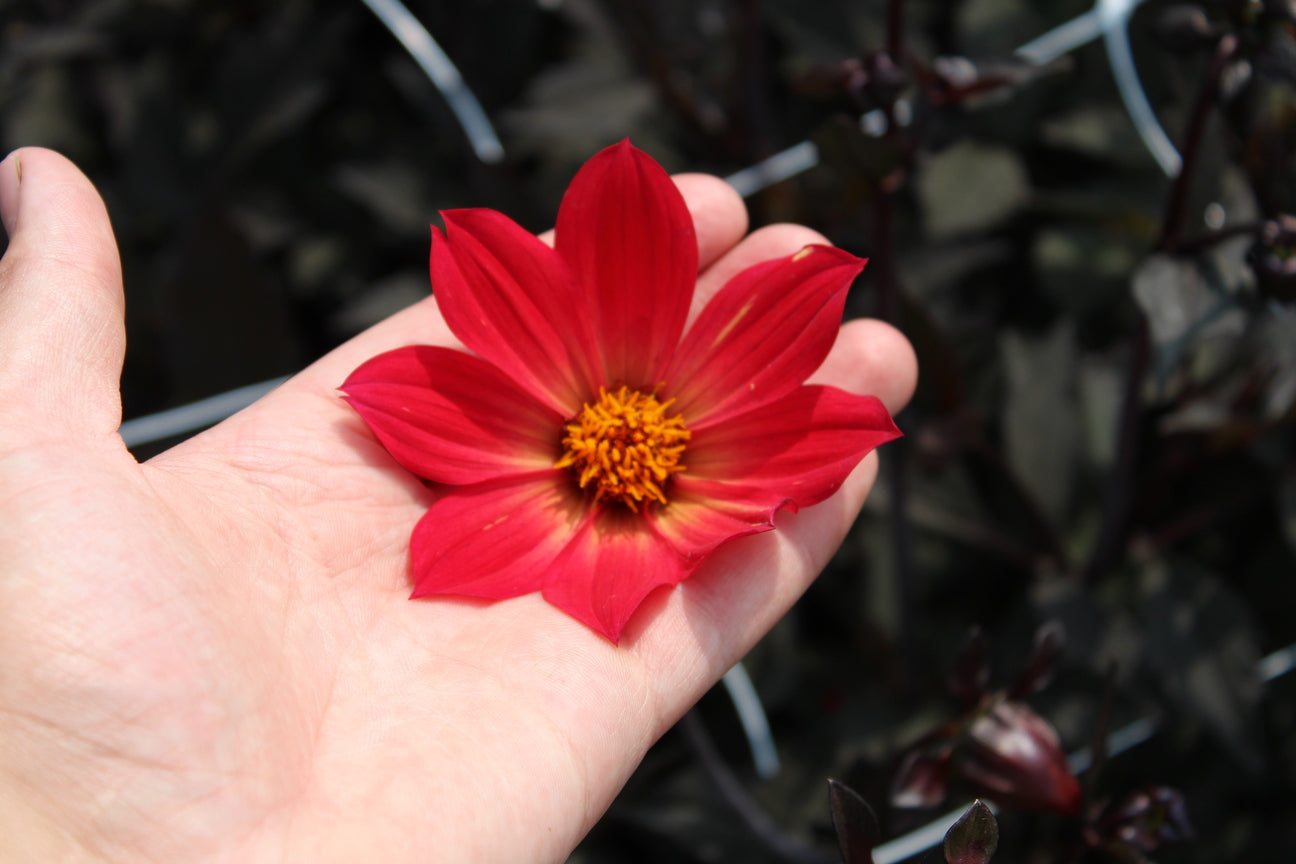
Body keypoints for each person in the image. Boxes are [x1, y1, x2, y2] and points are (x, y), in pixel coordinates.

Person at [0, 146, 917, 862]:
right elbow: (442, 484)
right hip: (566, 496)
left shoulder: (710, 466)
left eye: (633, 438)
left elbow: (773, 477)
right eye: (620, 434)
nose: (628, 439)